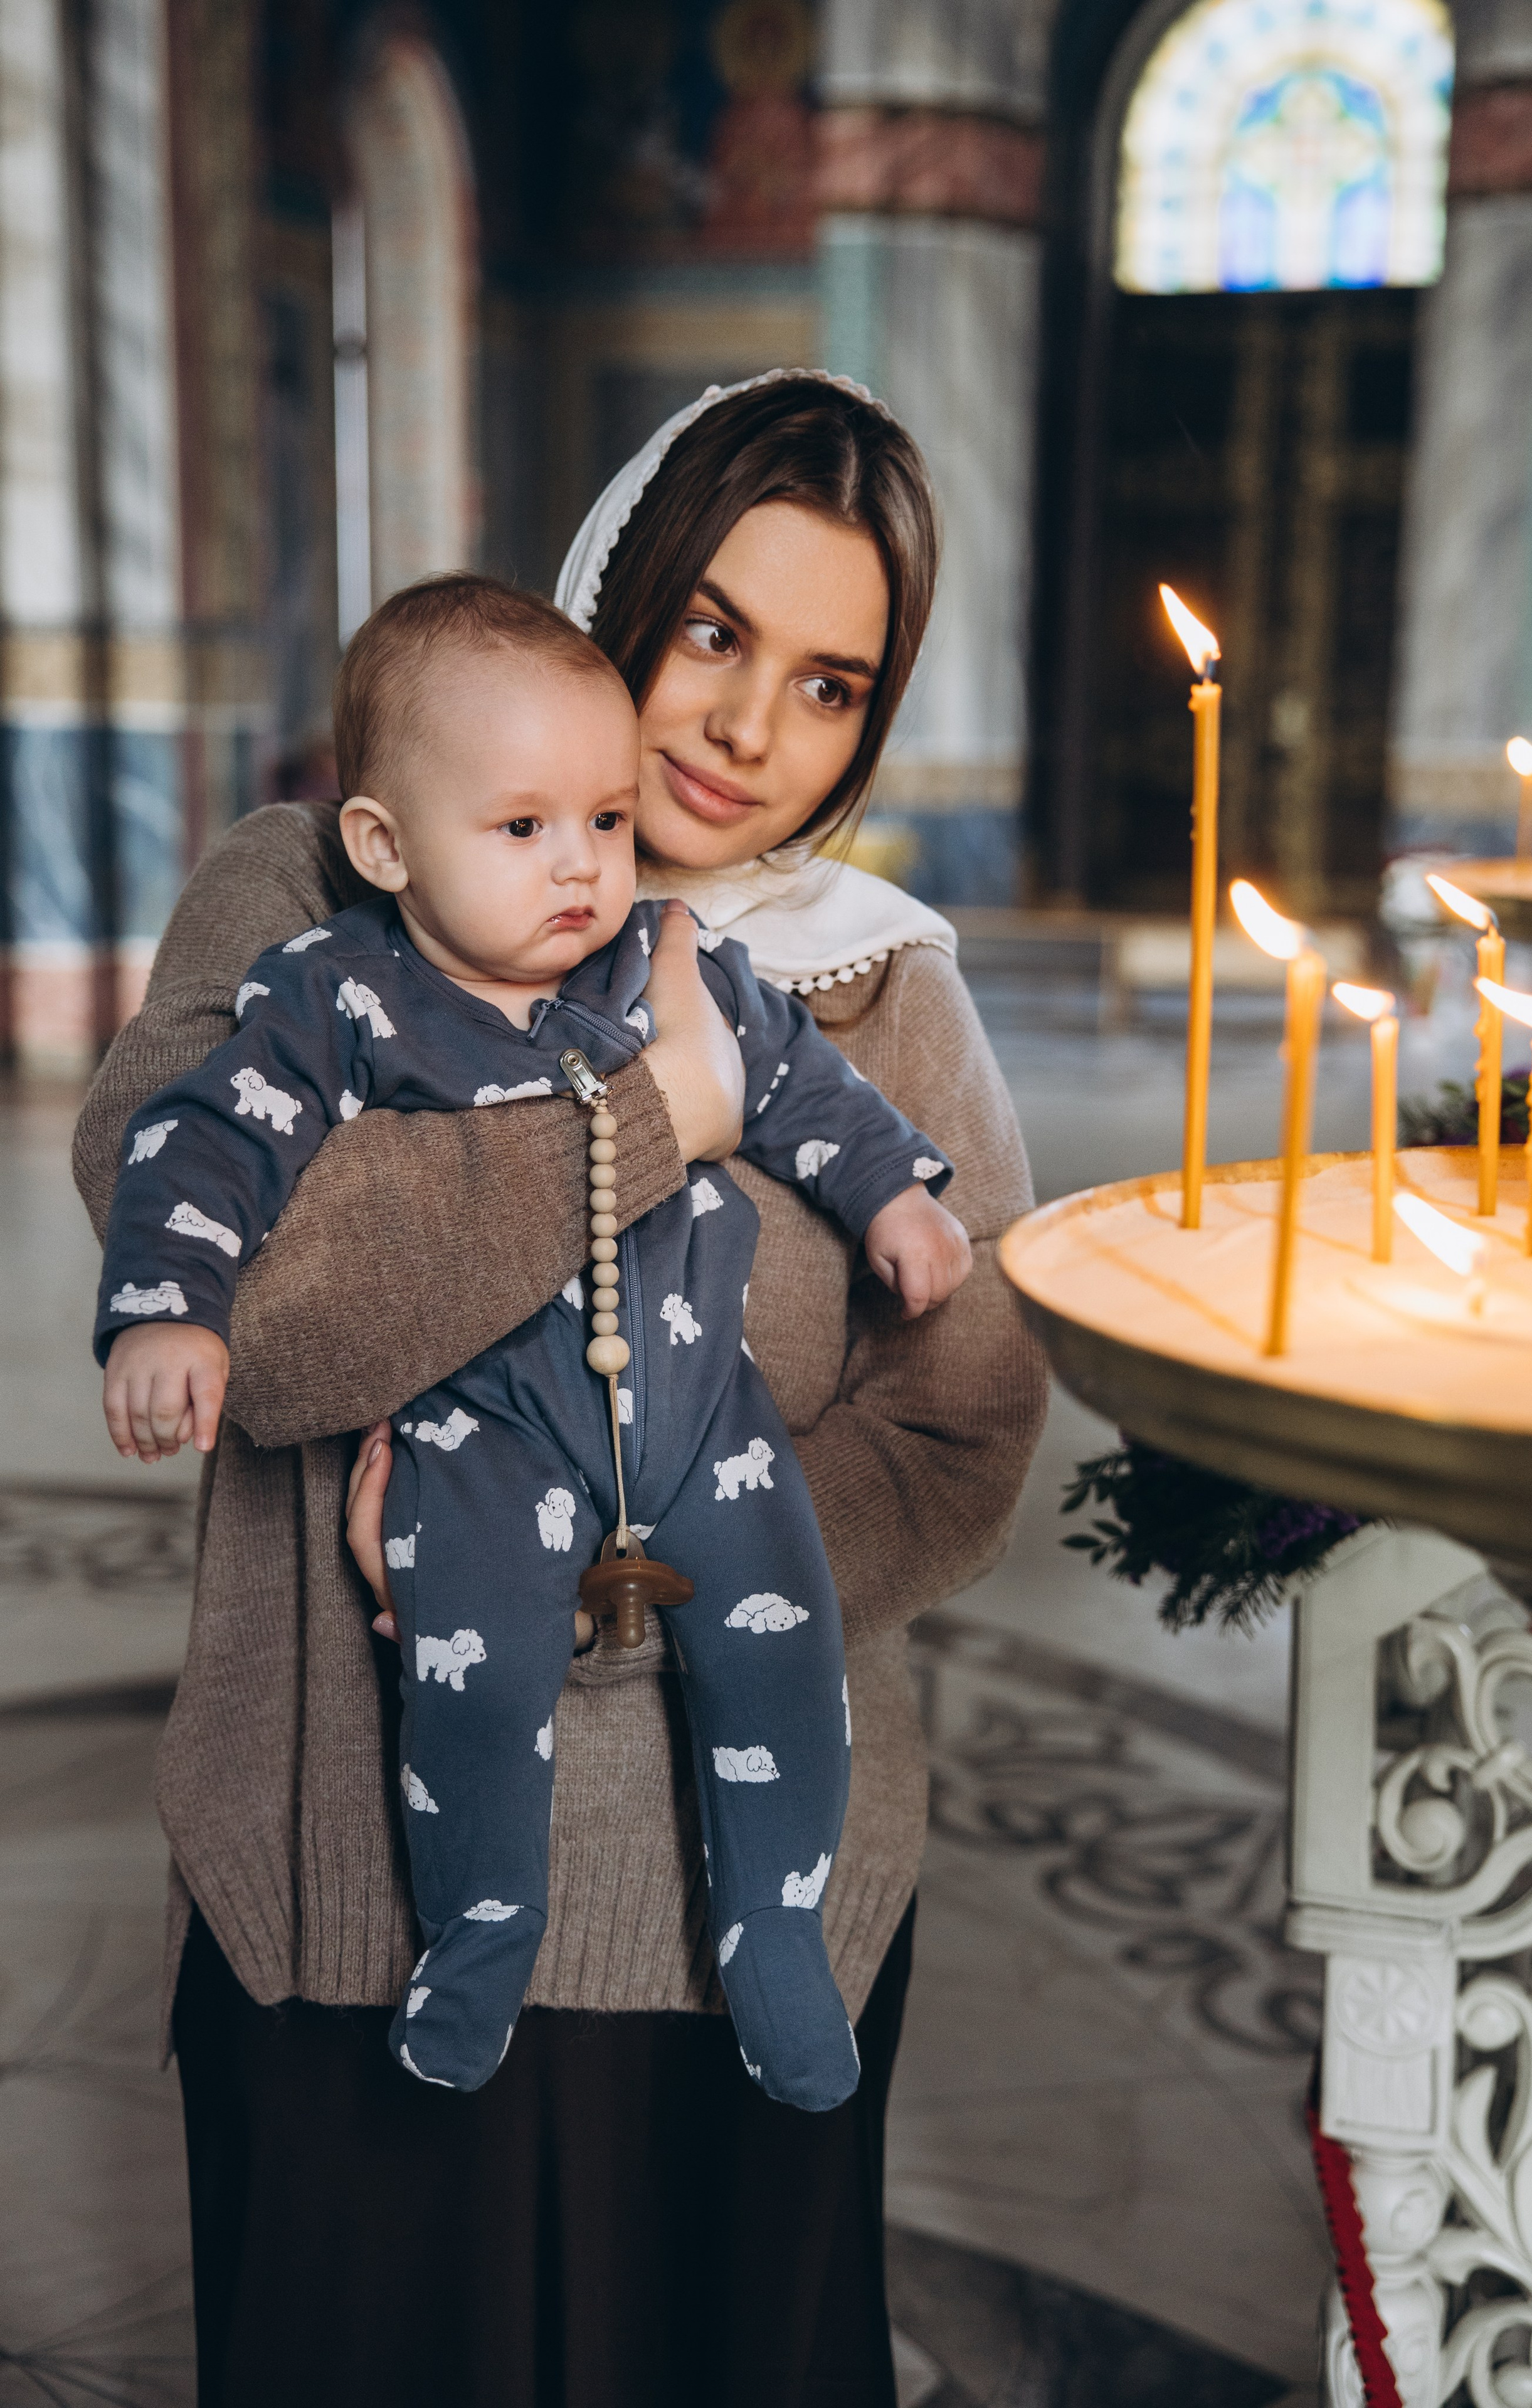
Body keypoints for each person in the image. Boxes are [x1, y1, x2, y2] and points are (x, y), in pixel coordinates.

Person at [73, 368, 1047, 2406]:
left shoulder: (884, 983)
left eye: (830, 682)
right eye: (711, 629)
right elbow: (262, 1311)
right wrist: (658, 1114)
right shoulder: (310, 898)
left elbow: (960, 1420)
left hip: (743, 1896)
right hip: (359, 1898)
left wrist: (642, 1576)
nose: (744, 727)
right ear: (620, 577)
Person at [96, 574, 967, 2105]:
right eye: (522, 832)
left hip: (708, 1418)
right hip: (479, 1437)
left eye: (605, 824)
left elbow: (811, 1098)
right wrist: (173, 1308)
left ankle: (776, 1936)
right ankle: (481, 1929)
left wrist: (895, 1194)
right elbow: (203, 1147)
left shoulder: (668, 963)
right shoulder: (341, 994)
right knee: (474, 1687)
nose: (580, 870)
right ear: (383, 845)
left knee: (786, 1664)